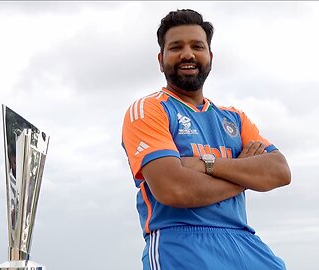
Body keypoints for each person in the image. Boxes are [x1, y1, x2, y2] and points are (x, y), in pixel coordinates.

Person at [121, 9, 291, 270]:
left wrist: (205, 164)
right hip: (180, 241)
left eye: (197, 46)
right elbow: (174, 188)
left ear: (210, 56)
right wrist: (245, 176)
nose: (187, 54)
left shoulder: (235, 119)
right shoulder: (149, 110)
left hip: (244, 240)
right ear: (160, 59)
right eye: (176, 47)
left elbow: (279, 171)